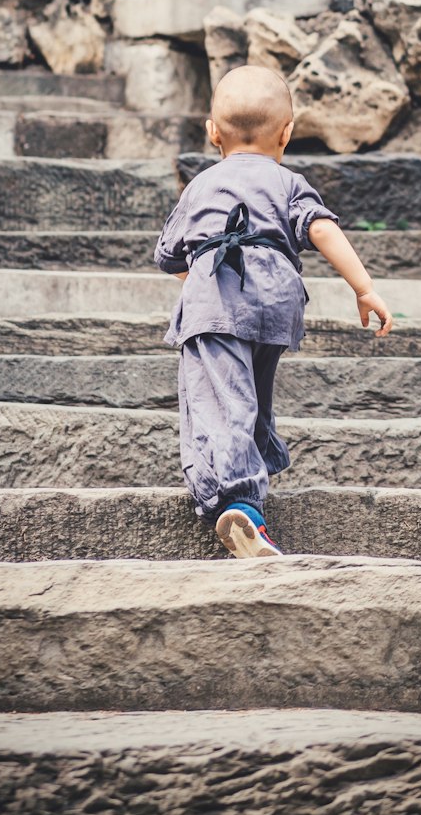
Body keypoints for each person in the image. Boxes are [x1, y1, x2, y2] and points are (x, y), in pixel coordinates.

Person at [154, 63, 393, 560]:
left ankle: (242, 504)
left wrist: (205, 280)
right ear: (287, 133)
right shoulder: (288, 181)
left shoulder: (201, 185)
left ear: (212, 132)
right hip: (277, 300)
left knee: (221, 399)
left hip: (217, 298)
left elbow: (170, 255)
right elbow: (321, 229)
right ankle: (257, 459)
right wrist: (363, 287)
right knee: (253, 391)